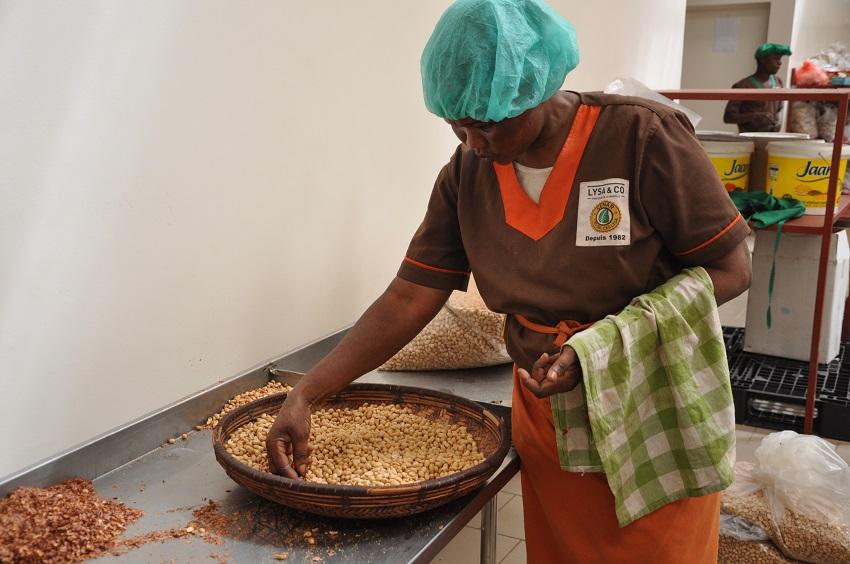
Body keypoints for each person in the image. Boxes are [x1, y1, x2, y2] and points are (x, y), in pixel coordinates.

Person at [266, 0, 752, 562]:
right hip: (548, 412)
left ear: (536, 85)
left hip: (649, 404)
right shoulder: (468, 172)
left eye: (489, 123)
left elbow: (731, 268)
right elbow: (408, 297)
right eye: (458, 125)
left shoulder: (641, 138)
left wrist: (601, 345)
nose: (474, 143)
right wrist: (308, 391)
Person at [724, 42, 792, 132]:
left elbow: (778, 109)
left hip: (772, 137)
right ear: (763, 60)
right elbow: (728, 117)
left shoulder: (778, 82)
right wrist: (754, 116)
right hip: (750, 140)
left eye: (780, 59)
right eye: (775, 58)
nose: (779, 63)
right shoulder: (743, 85)